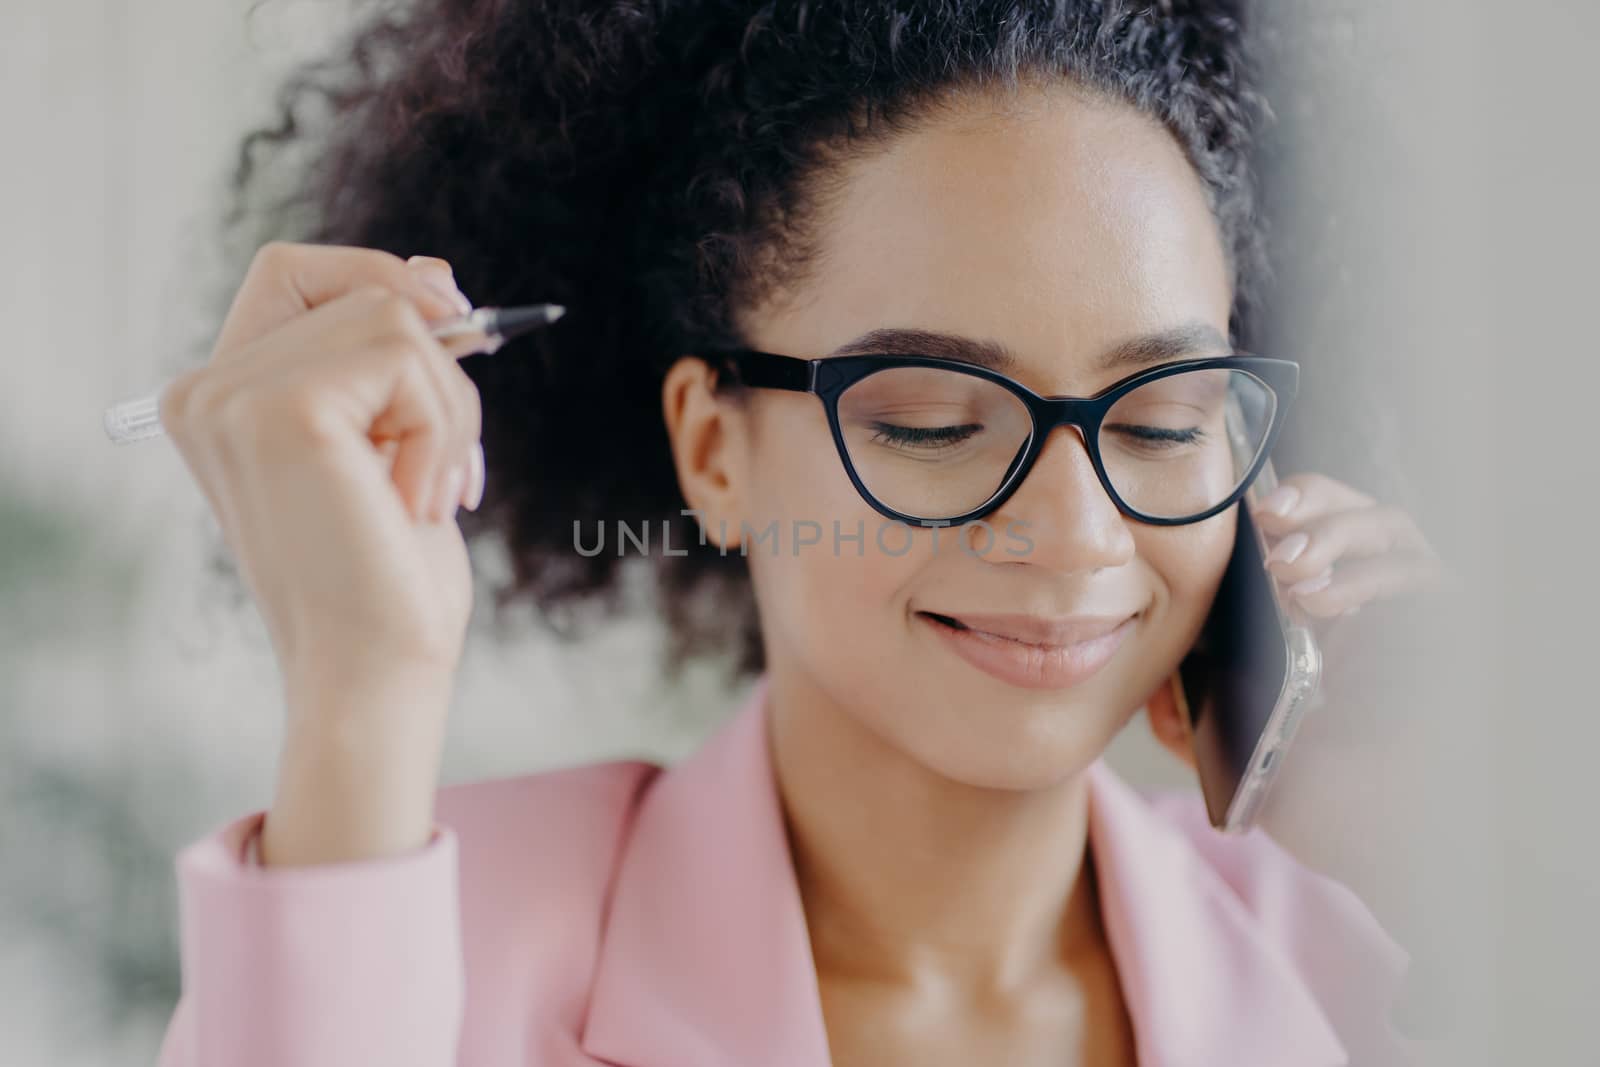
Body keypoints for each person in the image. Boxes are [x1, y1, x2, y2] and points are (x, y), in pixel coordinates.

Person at [154, 2, 1445, 1065]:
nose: (1075, 531)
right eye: (937, 421)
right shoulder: (432, 932)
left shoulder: (1361, 951)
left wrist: (1423, 847)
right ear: (715, 449)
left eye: (1164, 420)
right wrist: (359, 690)